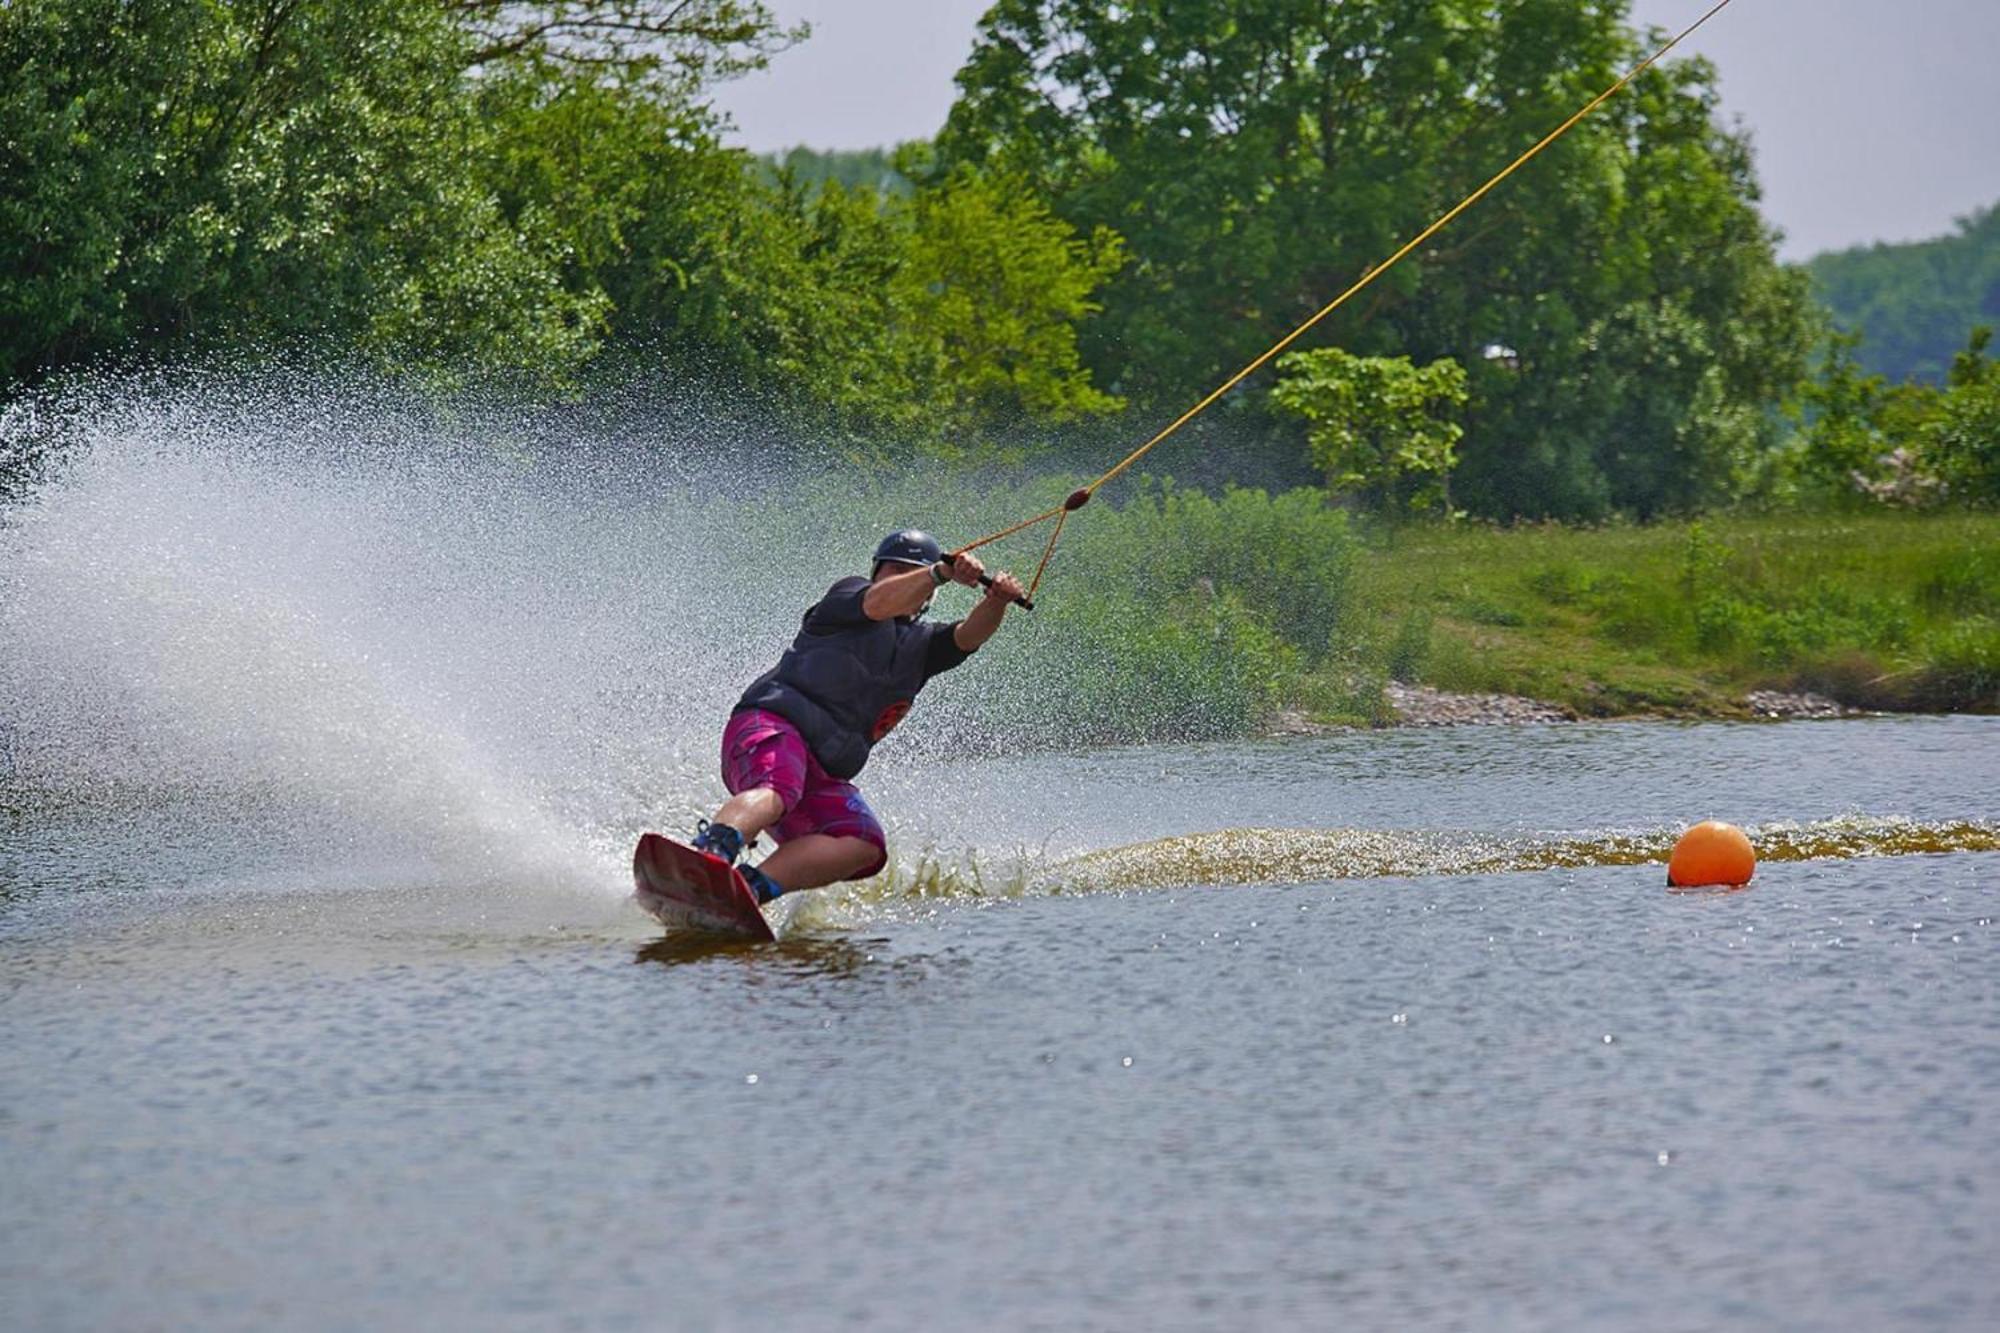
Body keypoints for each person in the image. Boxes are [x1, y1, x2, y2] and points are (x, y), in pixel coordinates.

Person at [689, 530, 1026, 902]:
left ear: (929, 598)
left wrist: (998, 601)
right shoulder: (848, 598)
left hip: (822, 771)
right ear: (877, 573)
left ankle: (747, 892)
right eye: (894, 570)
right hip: (772, 726)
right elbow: (881, 603)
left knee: (864, 845)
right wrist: (938, 573)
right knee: (778, 788)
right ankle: (709, 854)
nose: (901, 578)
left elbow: (968, 636)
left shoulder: (924, 646)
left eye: (910, 572)